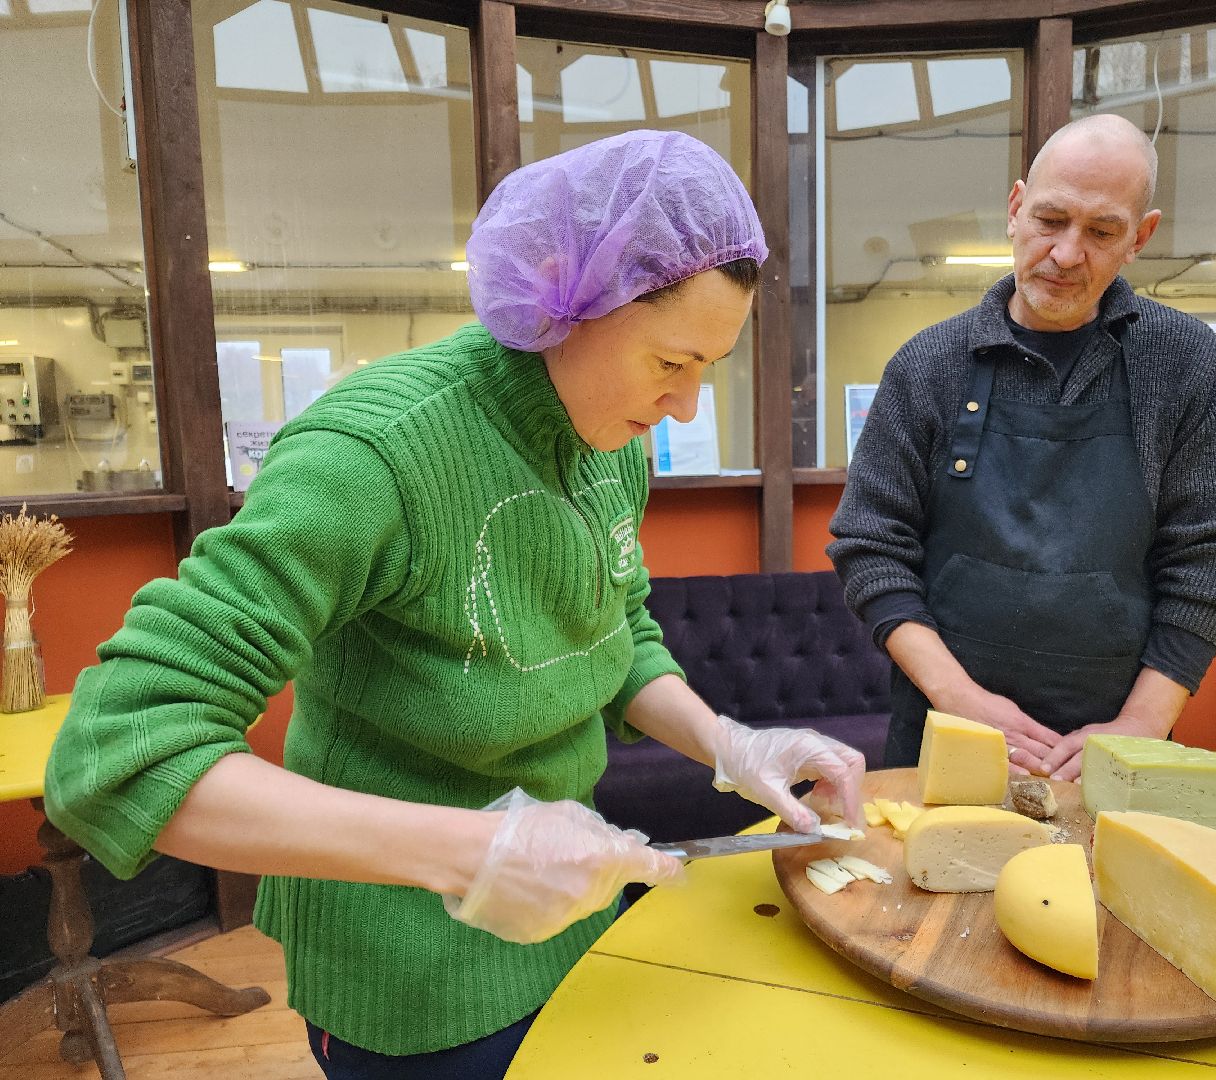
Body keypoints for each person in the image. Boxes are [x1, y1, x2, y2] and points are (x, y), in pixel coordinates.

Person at [43, 130, 866, 1078]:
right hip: (408, 968)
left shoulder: (614, 444)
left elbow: (614, 630)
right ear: (568, 296)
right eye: (670, 363)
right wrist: (473, 848)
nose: (684, 408)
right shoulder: (374, 454)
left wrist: (731, 744)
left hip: (566, 915)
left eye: (706, 371)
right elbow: (119, 751)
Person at [828, 114, 1216, 784]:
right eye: (1051, 219)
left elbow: (1213, 561)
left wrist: (1141, 724)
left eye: (1101, 231)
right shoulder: (928, 366)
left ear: (1140, 238)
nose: (1067, 254)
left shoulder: (1184, 363)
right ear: (1015, 209)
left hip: (1114, 746)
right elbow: (870, 547)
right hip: (946, 734)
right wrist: (957, 697)